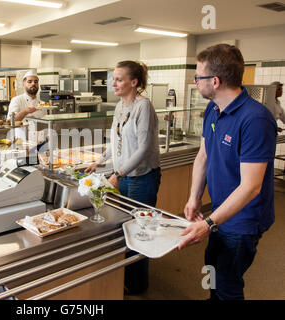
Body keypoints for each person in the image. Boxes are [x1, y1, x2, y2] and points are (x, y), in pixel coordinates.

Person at [178, 44, 277, 300]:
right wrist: (194, 197)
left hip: (243, 219)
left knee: (227, 283)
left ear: (215, 81)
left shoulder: (255, 119)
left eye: (198, 77)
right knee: (212, 269)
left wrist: (209, 223)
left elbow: (251, 187)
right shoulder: (212, 109)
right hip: (221, 212)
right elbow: (203, 155)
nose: (195, 82)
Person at [85, 60, 161, 294]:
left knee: (139, 229)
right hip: (125, 176)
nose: (113, 83)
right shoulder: (120, 106)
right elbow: (116, 140)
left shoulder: (143, 106)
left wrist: (118, 173)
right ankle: (128, 276)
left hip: (140, 177)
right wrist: (100, 160)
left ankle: (138, 285)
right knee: (126, 227)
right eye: (113, 79)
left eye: (119, 79)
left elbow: (144, 148)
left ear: (134, 82)